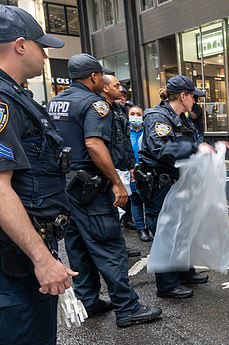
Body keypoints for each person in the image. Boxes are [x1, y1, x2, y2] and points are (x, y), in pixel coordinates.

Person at [0, 6, 78, 345]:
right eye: (40, 47)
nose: (46, 56)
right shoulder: (2, 100)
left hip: (13, 253)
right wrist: (43, 259)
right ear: (19, 45)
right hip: (14, 260)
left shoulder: (14, 97)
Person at [48, 54, 161, 328]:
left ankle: (89, 300)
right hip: (89, 186)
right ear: (94, 77)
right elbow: (94, 144)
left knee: (77, 245)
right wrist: (117, 182)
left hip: (65, 186)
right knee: (108, 243)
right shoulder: (95, 104)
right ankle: (127, 306)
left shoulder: (55, 103)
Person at [139, 75, 213, 299]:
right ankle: (167, 284)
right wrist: (194, 148)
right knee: (166, 232)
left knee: (183, 229)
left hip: (178, 182)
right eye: (193, 97)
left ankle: (183, 271)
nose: (196, 102)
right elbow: (162, 149)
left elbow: (191, 143)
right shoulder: (158, 118)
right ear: (183, 96)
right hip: (160, 184)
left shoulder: (183, 119)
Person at [101, 74, 138, 254]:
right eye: (117, 86)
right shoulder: (100, 109)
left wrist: (131, 164)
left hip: (122, 165)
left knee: (120, 209)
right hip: (109, 167)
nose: (121, 91)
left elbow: (125, 140)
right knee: (111, 210)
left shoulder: (120, 110)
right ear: (105, 87)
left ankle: (119, 245)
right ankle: (114, 248)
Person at [128, 105, 151, 242]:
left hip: (146, 170)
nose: (135, 117)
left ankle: (150, 226)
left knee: (148, 200)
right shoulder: (125, 133)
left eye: (138, 114)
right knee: (135, 200)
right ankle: (141, 229)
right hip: (131, 171)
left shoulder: (147, 131)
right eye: (132, 113)